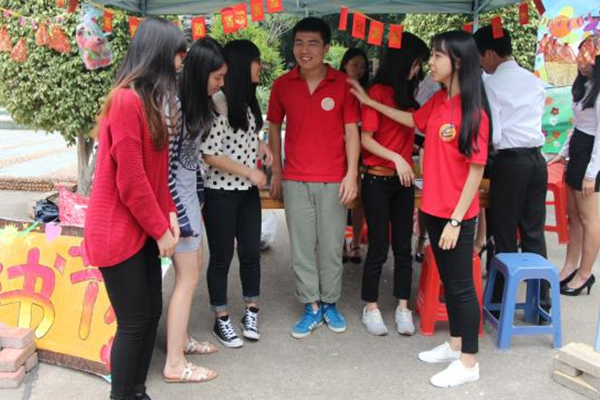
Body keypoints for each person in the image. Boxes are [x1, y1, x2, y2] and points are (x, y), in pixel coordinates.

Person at [349, 30, 490, 388]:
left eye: (437, 56)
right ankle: (455, 345)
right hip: (434, 208)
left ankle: (469, 362)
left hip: (456, 215)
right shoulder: (439, 100)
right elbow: (411, 120)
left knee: (461, 288)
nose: (431, 62)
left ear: (458, 61)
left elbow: (476, 171)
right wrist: (368, 100)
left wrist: (456, 220)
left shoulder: (473, 110)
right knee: (450, 282)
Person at [84, 18, 184, 400]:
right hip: (117, 229)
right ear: (159, 54)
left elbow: (157, 175)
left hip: (141, 227)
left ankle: (137, 392)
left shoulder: (150, 102)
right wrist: (160, 230)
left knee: (150, 314)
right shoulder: (125, 101)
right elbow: (131, 181)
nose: (180, 62)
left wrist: (169, 214)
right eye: (177, 54)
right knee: (134, 321)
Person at [268, 17, 360, 339]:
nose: (304, 50)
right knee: (302, 249)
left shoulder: (343, 84)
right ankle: (311, 305)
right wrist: (276, 171)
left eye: (312, 43)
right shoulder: (282, 84)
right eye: (299, 43)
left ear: (326, 48)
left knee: (332, 247)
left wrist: (351, 174)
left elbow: (352, 132)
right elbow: (274, 128)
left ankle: (330, 302)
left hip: (334, 179)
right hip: (294, 179)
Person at [162, 37, 226, 384]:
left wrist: (196, 199)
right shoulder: (172, 104)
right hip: (177, 204)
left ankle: (182, 339)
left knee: (192, 271)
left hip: (188, 199)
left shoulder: (196, 101)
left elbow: (192, 162)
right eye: (217, 77)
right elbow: (165, 169)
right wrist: (178, 216)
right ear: (201, 72)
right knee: (187, 278)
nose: (220, 84)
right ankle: (174, 363)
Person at [357, 33, 429, 337]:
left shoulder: (409, 94)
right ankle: (370, 307)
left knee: (403, 247)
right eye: (416, 63)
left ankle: (403, 307)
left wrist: (406, 158)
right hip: (377, 178)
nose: (419, 69)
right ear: (404, 62)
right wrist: (397, 158)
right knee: (377, 247)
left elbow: (415, 127)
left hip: (404, 182)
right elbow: (366, 139)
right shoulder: (376, 92)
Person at [202, 39, 272, 348]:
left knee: (250, 254)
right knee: (221, 258)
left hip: (246, 194)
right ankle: (221, 318)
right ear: (244, 65)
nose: (261, 66)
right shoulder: (219, 103)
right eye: (257, 60)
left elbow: (246, 136)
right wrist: (249, 171)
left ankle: (251, 312)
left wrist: (262, 145)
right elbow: (210, 154)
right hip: (221, 193)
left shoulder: (247, 101)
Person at [473, 25, 548, 308]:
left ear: (490, 54)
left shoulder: (490, 85)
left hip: (510, 162)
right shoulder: (533, 81)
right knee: (533, 232)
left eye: (480, 57)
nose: (481, 64)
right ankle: (541, 302)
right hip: (537, 161)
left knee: (502, 233)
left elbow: (493, 135)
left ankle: (498, 300)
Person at [550, 35, 600, 296]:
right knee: (574, 216)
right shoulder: (582, 86)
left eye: (588, 59)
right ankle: (570, 266)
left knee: (589, 218)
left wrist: (591, 174)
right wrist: (562, 153)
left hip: (592, 155)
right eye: (580, 57)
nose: (582, 63)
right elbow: (576, 126)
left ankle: (585, 273)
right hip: (578, 150)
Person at [339, 47, 369, 264]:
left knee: (358, 199)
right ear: (344, 65)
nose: (359, 70)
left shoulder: (368, 92)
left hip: (362, 153)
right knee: (339, 199)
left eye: (362, 66)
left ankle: (356, 243)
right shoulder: (336, 88)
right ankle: (340, 242)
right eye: (354, 65)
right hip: (337, 151)